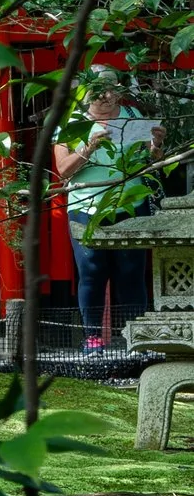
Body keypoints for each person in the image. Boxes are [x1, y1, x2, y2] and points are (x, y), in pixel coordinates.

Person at [53, 71, 162, 349]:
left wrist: (156, 146)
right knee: (91, 271)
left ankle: (135, 339)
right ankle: (92, 338)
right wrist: (89, 148)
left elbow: (151, 162)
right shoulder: (72, 123)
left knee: (131, 272)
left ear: (118, 89)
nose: (106, 96)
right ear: (86, 91)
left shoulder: (133, 116)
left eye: (111, 90)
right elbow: (63, 170)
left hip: (131, 204)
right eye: (98, 90)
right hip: (86, 205)